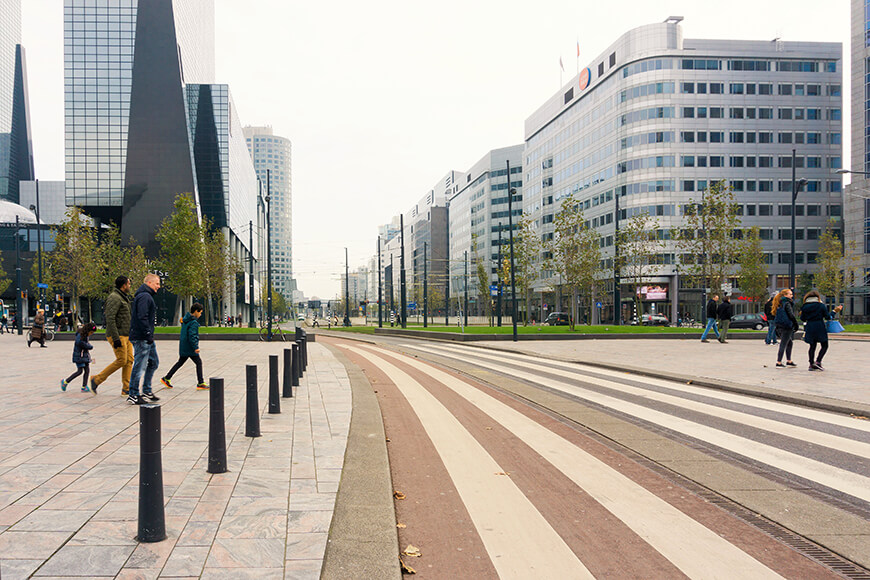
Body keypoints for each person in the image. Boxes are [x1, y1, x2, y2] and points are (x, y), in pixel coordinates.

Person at [91, 276, 134, 396]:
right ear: (123, 285)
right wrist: (115, 338)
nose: (130, 286)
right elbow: (110, 318)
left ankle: (126, 388)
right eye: (129, 284)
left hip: (126, 334)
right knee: (122, 360)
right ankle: (96, 380)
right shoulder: (114, 298)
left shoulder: (123, 297)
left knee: (129, 360)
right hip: (118, 335)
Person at [128, 273, 162, 405]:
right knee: (140, 365)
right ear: (149, 283)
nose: (159, 286)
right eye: (157, 283)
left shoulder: (146, 296)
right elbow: (142, 317)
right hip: (142, 337)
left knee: (154, 362)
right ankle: (133, 394)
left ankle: (146, 389)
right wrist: (148, 333)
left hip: (146, 337)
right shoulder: (144, 297)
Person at [161, 303, 207, 390]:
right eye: (200, 312)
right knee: (198, 362)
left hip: (184, 346)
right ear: (196, 311)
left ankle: (166, 378)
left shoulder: (186, 320)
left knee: (180, 362)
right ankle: (200, 382)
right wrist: (195, 347)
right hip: (190, 347)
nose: (200, 315)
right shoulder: (193, 322)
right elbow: (192, 336)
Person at [800, 290, 843, 371]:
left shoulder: (804, 307)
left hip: (810, 326)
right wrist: (834, 311)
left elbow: (802, 318)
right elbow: (827, 317)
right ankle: (818, 361)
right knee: (824, 345)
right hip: (820, 326)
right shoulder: (821, 305)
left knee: (812, 346)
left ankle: (811, 364)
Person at [61, 322, 97, 393]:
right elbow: (79, 342)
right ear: (88, 330)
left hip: (84, 355)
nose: (92, 334)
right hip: (79, 356)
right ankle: (65, 382)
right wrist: (89, 346)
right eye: (91, 332)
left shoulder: (85, 335)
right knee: (80, 371)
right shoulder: (80, 334)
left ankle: (84, 386)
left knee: (87, 370)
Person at [772, 288, 799, 368]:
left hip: (780, 325)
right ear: (785, 295)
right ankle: (779, 362)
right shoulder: (787, 303)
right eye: (790, 294)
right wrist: (795, 323)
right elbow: (791, 314)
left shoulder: (779, 303)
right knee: (783, 343)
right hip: (787, 326)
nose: (792, 295)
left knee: (789, 342)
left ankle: (789, 360)